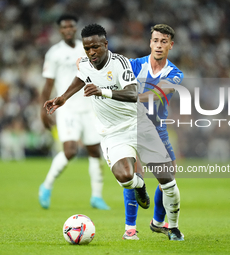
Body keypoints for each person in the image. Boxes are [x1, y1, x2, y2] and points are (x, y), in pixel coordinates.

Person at [44, 23, 182, 241]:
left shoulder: (158, 71)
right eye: (87, 49)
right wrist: (62, 98)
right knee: (126, 176)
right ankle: (136, 205)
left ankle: (170, 227)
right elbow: (81, 76)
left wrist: (102, 91)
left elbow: (135, 93)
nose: (91, 52)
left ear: (105, 45)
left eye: (95, 48)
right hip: (113, 132)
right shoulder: (92, 63)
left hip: (145, 126)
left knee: (168, 180)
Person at [38, 14, 109, 210]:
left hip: (89, 108)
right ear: (60, 30)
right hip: (67, 109)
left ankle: (96, 196)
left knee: (95, 151)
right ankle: (46, 186)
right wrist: (43, 111)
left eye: (71, 26)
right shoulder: (54, 53)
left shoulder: (86, 48)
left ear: (75, 28)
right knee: (70, 151)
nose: (68, 30)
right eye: (64, 27)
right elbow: (48, 84)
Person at [122, 24, 184, 241]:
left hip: (157, 129)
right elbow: (109, 70)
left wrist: (125, 97)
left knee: (168, 178)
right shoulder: (133, 65)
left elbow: (158, 94)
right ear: (150, 42)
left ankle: (158, 222)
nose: (159, 45)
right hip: (131, 127)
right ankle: (130, 228)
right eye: (155, 40)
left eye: (163, 41)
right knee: (134, 174)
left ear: (171, 45)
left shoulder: (175, 74)